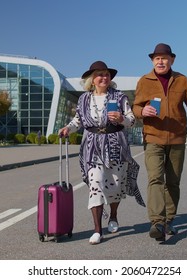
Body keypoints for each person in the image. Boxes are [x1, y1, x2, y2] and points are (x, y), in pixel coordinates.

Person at [58, 61, 145, 245]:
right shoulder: (84, 99)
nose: (103, 77)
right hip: (92, 147)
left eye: (106, 74)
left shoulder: (119, 97)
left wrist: (122, 118)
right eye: (99, 74)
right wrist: (67, 128)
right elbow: (77, 121)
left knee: (115, 185)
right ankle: (97, 230)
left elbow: (131, 120)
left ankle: (113, 215)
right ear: (92, 79)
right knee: (95, 183)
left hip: (115, 145)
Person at [132, 43, 187, 242]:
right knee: (155, 179)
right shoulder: (145, 81)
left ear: (172, 60)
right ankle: (157, 222)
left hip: (177, 138)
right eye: (157, 58)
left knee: (173, 181)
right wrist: (143, 111)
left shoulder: (181, 80)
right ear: (152, 61)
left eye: (164, 58)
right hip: (153, 137)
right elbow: (135, 106)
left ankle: (169, 220)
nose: (161, 61)